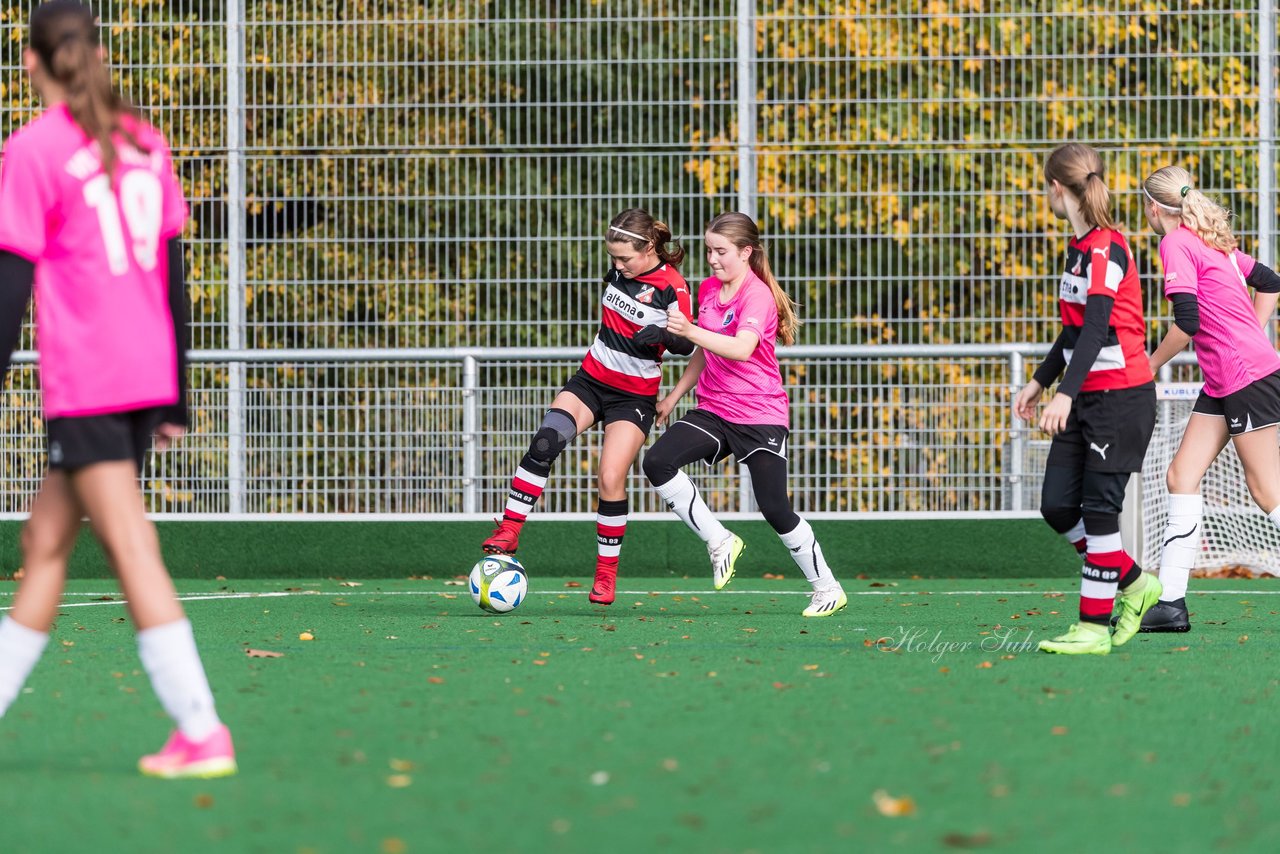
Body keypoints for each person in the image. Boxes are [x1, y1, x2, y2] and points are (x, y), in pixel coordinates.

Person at [0, 1, 234, 777]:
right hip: (142, 372)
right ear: (95, 55)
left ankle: (201, 729)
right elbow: (173, 272)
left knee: (131, 545)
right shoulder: (142, 138)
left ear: (30, 62)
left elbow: (10, 283)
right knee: (44, 544)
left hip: (92, 380)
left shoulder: (32, 150)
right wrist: (176, 393)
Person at [482, 209, 693, 605]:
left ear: (649, 248)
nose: (617, 265)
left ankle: (605, 575)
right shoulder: (617, 274)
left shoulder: (672, 286)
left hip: (634, 397)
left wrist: (663, 333)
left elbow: (687, 343)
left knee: (610, 477)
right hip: (590, 381)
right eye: (613, 257)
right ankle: (509, 530)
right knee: (546, 442)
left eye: (624, 258)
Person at [641, 212, 847, 617]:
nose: (713, 259)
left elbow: (740, 348)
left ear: (746, 252)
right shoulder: (709, 289)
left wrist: (687, 329)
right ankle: (719, 541)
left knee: (774, 508)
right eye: (708, 251)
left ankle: (827, 588)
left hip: (759, 414)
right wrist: (674, 397)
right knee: (658, 462)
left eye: (721, 251)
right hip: (714, 409)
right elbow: (707, 349)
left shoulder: (758, 296)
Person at [1013, 143, 1161, 655]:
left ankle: (1094, 629)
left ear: (1056, 188)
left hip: (1120, 401)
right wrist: (1039, 382)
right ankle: (1139, 585)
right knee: (1057, 506)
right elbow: (1075, 333)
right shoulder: (1079, 248)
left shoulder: (1106, 248)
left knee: (1100, 514)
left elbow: (1099, 328)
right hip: (1087, 399)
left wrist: (1065, 396)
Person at [1137, 165, 1280, 631]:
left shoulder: (1175, 242)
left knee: (1266, 492)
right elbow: (1272, 281)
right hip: (1224, 380)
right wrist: (1250, 333)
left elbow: (1187, 323)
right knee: (1181, 476)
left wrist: (1150, 364)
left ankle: (1171, 601)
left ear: (1154, 207)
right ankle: (1171, 605)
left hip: (1247, 378)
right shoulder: (1208, 239)